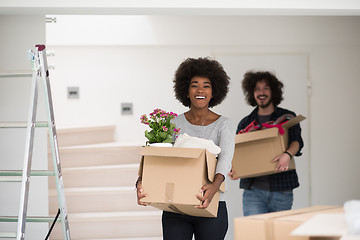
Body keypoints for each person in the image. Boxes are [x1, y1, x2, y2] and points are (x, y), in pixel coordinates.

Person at [136, 57, 236, 240]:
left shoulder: (225, 125)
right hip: (176, 207)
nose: (200, 90)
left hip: (211, 205)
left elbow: (225, 160)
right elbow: (160, 158)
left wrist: (214, 187)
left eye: (206, 85)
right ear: (186, 91)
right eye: (194, 85)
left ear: (214, 92)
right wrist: (141, 182)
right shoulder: (174, 123)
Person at [229, 71, 304, 216]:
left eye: (265, 88)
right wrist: (235, 169)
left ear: (273, 91)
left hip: (282, 189)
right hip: (253, 193)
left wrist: (287, 155)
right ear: (252, 93)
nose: (261, 92)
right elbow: (237, 152)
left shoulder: (287, 117)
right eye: (257, 89)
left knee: (279, 235)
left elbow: (297, 142)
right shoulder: (245, 123)